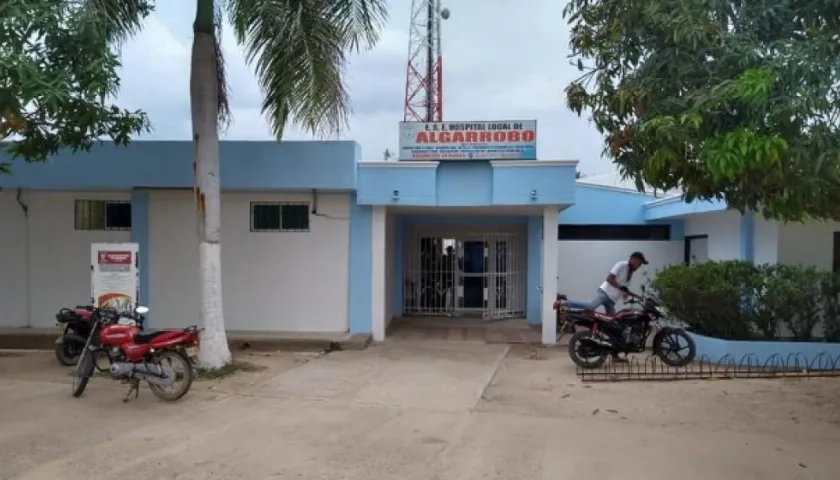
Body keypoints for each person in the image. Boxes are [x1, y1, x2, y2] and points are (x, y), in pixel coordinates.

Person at [558, 251, 648, 315]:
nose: (640, 266)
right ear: (634, 260)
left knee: (612, 322)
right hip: (605, 293)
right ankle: (564, 303)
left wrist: (637, 296)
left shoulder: (631, 273)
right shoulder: (622, 265)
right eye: (639, 263)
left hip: (612, 300)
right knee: (591, 306)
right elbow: (609, 278)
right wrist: (621, 288)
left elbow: (624, 289)